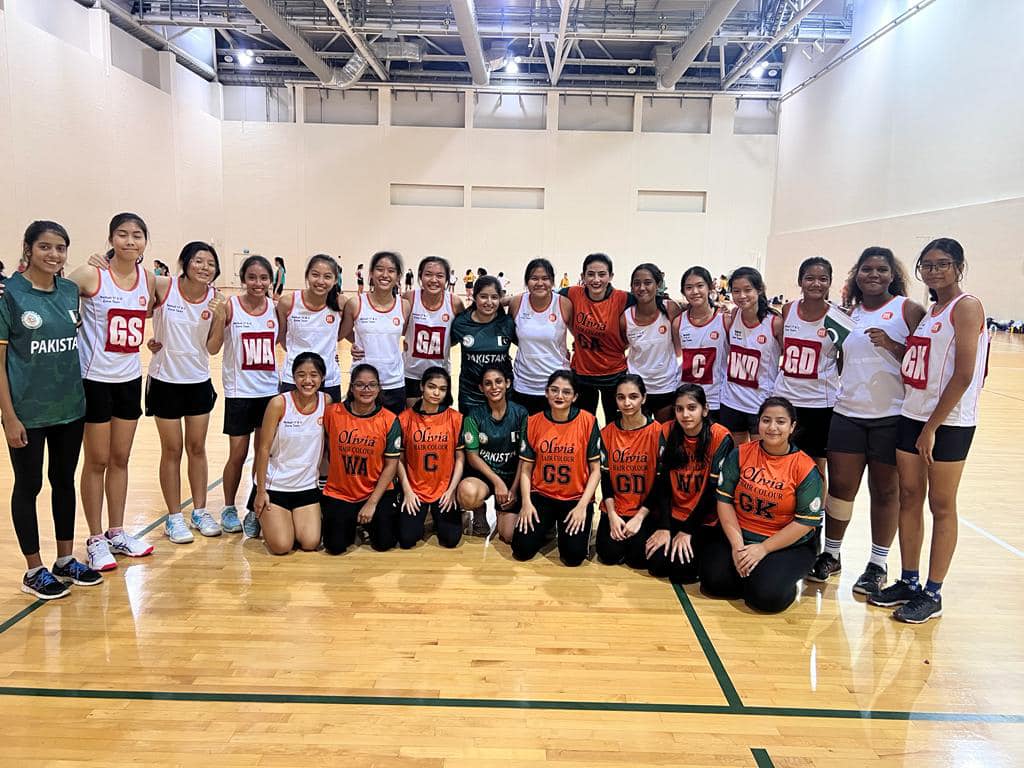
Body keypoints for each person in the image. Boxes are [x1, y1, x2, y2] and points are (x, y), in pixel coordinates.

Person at [870, 238, 988, 623]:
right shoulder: (932, 311)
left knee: (941, 504)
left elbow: (964, 374)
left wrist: (932, 427)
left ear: (959, 267)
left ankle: (933, 592)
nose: (935, 271)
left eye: (943, 264)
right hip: (913, 413)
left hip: (949, 423)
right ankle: (909, 580)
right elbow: (922, 361)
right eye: (928, 265)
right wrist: (893, 346)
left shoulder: (966, 306)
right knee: (909, 496)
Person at [807, 247, 925, 596]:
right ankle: (831, 554)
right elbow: (839, 360)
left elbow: (924, 361)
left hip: (891, 416)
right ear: (856, 275)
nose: (873, 275)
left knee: (885, 491)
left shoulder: (907, 310)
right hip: (848, 412)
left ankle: (877, 563)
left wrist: (892, 345)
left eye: (881, 269)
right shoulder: (846, 314)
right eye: (867, 269)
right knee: (841, 489)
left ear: (893, 275)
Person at [0, 221, 101, 598]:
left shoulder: (70, 291)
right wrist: (9, 416)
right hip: (27, 412)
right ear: (28, 249)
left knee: (63, 480)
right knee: (29, 485)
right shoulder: (9, 294)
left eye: (60, 248)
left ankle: (64, 559)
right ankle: (33, 569)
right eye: (45, 246)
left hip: (70, 407)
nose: (54, 254)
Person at [69, 213, 156, 571]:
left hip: (129, 379)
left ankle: (116, 531)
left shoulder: (148, 279)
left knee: (120, 458)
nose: (130, 241)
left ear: (145, 241)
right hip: (94, 380)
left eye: (137, 235)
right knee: (97, 461)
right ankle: (94, 539)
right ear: (110, 239)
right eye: (122, 234)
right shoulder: (92, 274)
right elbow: (54, 291)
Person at [702, 397, 823, 613]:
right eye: (766, 420)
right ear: (758, 423)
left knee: (766, 598)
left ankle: (780, 580)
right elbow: (724, 500)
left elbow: (805, 523)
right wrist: (738, 546)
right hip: (742, 534)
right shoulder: (740, 454)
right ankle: (754, 574)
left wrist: (763, 548)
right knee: (713, 583)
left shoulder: (805, 468)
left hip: (786, 544)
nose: (772, 427)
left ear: (792, 427)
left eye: (780, 422)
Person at [147, 242, 227, 544]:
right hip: (164, 380)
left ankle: (200, 511)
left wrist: (220, 317)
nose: (204, 267)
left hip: (198, 381)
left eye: (210, 263)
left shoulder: (216, 299)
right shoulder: (163, 286)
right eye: (198, 261)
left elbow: (213, 348)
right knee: (172, 450)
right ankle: (173, 517)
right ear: (185, 262)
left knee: (197, 448)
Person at [772, 257, 854, 486]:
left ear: (830, 282)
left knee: (815, 466)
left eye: (822, 279)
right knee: (782, 461)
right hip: (786, 399)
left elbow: (843, 359)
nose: (816, 284)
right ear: (800, 281)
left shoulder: (838, 317)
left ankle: (814, 509)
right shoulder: (788, 309)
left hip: (819, 403)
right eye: (809, 278)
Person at [513, 370, 602, 567]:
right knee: (521, 550)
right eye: (554, 390)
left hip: (574, 498)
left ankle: (564, 527)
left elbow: (596, 470)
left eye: (566, 392)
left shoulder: (588, 421)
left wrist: (582, 506)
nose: (559, 396)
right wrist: (526, 503)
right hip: (542, 495)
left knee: (573, 558)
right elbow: (526, 469)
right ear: (546, 392)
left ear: (575, 397)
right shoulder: (533, 422)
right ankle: (549, 525)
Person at [645, 384, 733, 584]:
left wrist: (687, 530)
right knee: (656, 565)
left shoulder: (720, 436)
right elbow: (663, 482)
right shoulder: (667, 431)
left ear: (705, 409)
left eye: (692, 408)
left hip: (704, 517)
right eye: (679, 409)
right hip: (676, 513)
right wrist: (664, 526)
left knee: (682, 573)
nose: (685, 415)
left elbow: (713, 491)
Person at [219, 255, 280, 538]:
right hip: (239, 392)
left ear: (270, 280)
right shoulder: (229, 306)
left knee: (262, 453)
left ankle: (255, 509)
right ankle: (228, 507)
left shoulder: (275, 310)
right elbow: (211, 341)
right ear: (243, 279)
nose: (258, 283)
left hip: (268, 392)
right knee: (238, 454)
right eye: (252, 277)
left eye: (263, 278)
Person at [321, 364, 402, 554]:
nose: (366, 390)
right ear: (351, 388)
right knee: (335, 547)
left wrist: (372, 503)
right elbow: (324, 446)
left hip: (375, 491)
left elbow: (391, 465)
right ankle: (352, 523)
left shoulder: (389, 420)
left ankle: (368, 520)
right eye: (360, 385)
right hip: (340, 492)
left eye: (372, 385)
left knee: (384, 543)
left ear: (379, 388)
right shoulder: (332, 413)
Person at [253, 353, 329, 555]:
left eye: (314, 375)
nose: (307, 380)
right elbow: (263, 449)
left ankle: (287, 521)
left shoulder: (326, 402)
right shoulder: (278, 404)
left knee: (310, 542)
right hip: (275, 487)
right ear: (293, 377)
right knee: (281, 546)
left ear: (322, 377)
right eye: (301, 375)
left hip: (306, 486)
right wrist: (260, 492)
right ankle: (262, 516)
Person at [596, 375, 663, 569]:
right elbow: (605, 479)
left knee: (639, 560)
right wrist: (611, 515)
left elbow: (661, 483)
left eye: (633, 397)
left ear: (644, 398)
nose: (627, 403)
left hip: (645, 509)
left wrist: (639, 517)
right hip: (616, 508)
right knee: (608, 555)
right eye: (621, 397)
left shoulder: (658, 433)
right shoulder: (607, 433)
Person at [396, 367, 465, 549]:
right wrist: (407, 491)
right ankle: (423, 515)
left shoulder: (455, 418)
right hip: (415, 489)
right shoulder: (404, 419)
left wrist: (451, 491)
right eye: (431, 387)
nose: (436, 393)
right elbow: (399, 460)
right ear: (422, 386)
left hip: (444, 489)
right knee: (407, 539)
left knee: (450, 540)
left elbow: (460, 459)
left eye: (442, 389)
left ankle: (444, 514)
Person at [559, 253, 633, 423]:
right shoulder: (572, 294)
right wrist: (503, 301)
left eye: (602, 274)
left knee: (615, 424)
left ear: (611, 276)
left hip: (614, 374)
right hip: (582, 374)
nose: (596, 280)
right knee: (583, 424)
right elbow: (544, 297)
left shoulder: (623, 298)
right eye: (591, 274)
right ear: (583, 276)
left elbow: (650, 303)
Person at [457, 366, 528, 542]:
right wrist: (497, 482)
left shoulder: (521, 413)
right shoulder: (474, 416)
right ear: (481, 388)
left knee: (509, 535)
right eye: (488, 384)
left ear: (508, 383)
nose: (494, 387)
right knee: (467, 493)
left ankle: (501, 513)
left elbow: (524, 457)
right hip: (486, 477)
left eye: (498, 382)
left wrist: (514, 489)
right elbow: (472, 456)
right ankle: (479, 511)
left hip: (512, 477)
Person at [340, 251, 410, 414]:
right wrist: (357, 342)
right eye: (379, 269)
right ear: (371, 273)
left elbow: (403, 333)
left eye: (391, 271)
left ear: (398, 276)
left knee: (392, 429)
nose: (385, 275)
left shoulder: (404, 306)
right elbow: (342, 333)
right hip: (362, 382)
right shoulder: (356, 303)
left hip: (393, 382)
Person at [719, 267, 782, 444]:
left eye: (747, 290)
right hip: (731, 399)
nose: (742, 296)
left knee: (759, 455)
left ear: (759, 289)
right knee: (736, 454)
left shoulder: (775, 322)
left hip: (760, 401)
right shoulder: (733, 315)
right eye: (736, 291)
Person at [276, 255, 345, 403]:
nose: (320, 281)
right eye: (315, 275)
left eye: (327, 277)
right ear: (307, 275)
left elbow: (342, 334)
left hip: (329, 379)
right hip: (294, 378)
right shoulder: (288, 302)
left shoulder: (340, 303)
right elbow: (281, 337)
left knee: (329, 419)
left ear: (335, 280)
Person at [510, 259, 572, 415]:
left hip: (556, 385)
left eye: (545, 278)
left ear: (552, 281)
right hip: (523, 384)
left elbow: (579, 335)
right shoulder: (517, 302)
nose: (540, 283)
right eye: (534, 278)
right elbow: (512, 336)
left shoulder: (564, 304)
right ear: (527, 281)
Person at [403, 256, 464, 407]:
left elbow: (460, 334)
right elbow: (397, 328)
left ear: (447, 279)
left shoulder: (454, 303)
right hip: (411, 373)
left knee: (438, 418)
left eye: (440, 276)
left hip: (440, 374)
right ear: (420, 276)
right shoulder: (410, 297)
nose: (434, 280)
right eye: (428, 274)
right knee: (412, 416)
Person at [623, 264, 680, 421]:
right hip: (637, 388)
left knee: (665, 433)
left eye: (648, 282)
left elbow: (680, 346)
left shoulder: (670, 309)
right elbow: (621, 346)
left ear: (658, 285)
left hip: (666, 386)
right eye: (637, 283)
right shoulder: (625, 318)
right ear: (631, 287)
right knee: (639, 433)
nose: (642, 288)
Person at [451, 275, 516, 413]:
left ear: (500, 299)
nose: (489, 302)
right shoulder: (461, 323)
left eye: (494, 297)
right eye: (483, 296)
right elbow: (447, 344)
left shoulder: (508, 324)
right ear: (474, 297)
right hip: (470, 396)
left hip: (502, 394)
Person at [674, 266, 730, 421]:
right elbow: (678, 355)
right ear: (683, 291)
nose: (695, 291)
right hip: (686, 396)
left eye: (700, 286)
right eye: (689, 287)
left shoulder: (725, 320)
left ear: (710, 287)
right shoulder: (678, 322)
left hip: (714, 397)